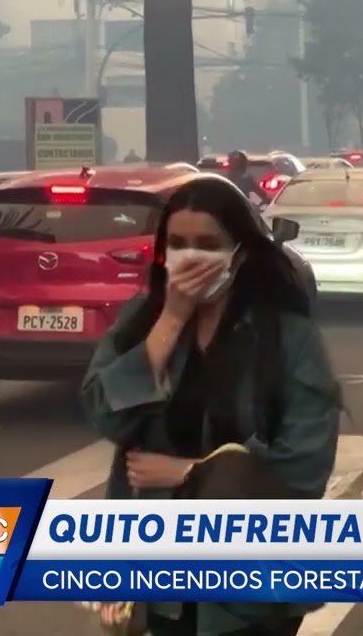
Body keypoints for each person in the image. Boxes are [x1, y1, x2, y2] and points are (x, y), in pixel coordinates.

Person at [80, 176, 342, 636]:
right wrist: (172, 319)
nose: (191, 256)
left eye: (207, 244)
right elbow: (105, 414)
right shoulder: (140, 321)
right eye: (178, 244)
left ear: (238, 253)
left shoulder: (287, 336)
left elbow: (304, 467)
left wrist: (188, 473)